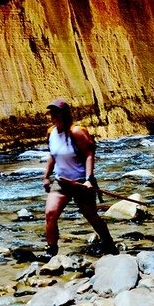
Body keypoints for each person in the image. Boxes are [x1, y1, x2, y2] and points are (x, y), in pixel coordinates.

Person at [41, 98, 118, 261]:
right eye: (52, 113)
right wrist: (46, 176)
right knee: (50, 214)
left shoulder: (77, 132)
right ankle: (51, 250)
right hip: (61, 182)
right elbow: (52, 156)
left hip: (81, 182)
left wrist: (89, 179)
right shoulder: (51, 133)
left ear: (65, 114)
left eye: (56, 113)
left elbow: (90, 154)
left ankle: (109, 244)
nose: (53, 116)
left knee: (91, 216)